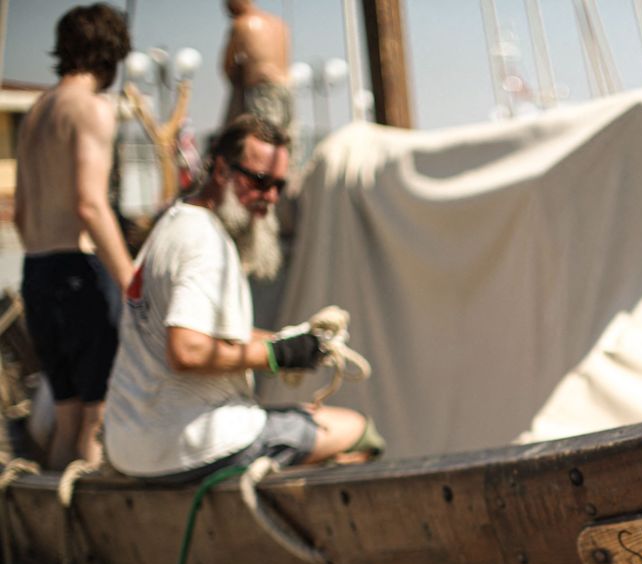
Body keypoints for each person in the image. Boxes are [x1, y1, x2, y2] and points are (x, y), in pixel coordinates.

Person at [103, 116, 383, 484]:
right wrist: (277, 356)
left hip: (133, 446)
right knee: (359, 433)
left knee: (303, 418)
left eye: (278, 186)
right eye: (259, 181)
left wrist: (296, 344)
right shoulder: (205, 243)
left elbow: (213, 335)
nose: (269, 197)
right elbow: (186, 349)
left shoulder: (174, 224)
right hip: (189, 446)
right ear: (221, 169)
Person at [13, 3, 134, 470]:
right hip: (77, 275)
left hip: (37, 270)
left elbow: (21, 212)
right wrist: (131, 281)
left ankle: (56, 531)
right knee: (94, 420)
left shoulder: (38, 111)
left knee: (66, 420)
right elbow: (90, 203)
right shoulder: (91, 109)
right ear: (112, 54)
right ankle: (96, 537)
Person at [221, 0, 293, 135]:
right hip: (287, 87)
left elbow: (227, 65)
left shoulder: (241, 24)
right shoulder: (279, 24)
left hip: (263, 91)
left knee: (264, 137)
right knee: (285, 138)